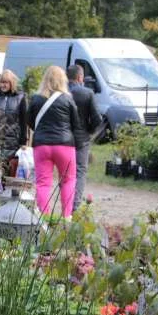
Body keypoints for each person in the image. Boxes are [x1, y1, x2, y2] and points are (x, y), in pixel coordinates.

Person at [27, 66, 81, 219]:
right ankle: (66, 218)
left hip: (41, 145)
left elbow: (30, 121)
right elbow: (75, 124)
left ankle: (44, 220)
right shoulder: (67, 99)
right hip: (64, 145)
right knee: (68, 180)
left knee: (43, 183)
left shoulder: (36, 99)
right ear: (63, 80)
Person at [67, 64, 102, 210]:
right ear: (80, 77)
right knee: (80, 171)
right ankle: (75, 206)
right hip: (81, 138)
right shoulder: (87, 93)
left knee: (66, 173)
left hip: (62, 138)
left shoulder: (61, 92)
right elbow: (96, 118)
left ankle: (65, 203)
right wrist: (90, 131)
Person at [0, 70, 28, 175]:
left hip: (12, 141)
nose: (3, 85)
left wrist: (23, 141)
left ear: (12, 83)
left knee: (8, 172)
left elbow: (23, 121)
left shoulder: (20, 97)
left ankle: (6, 191)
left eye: (6, 82)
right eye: (1, 82)